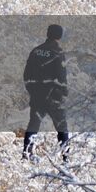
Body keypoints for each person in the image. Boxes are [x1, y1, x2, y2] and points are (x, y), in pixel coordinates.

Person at [23, 24, 70, 157]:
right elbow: (61, 77)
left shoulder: (35, 51)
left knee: (33, 126)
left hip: (37, 97)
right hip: (54, 97)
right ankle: (66, 158)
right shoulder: (58, 53)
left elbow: (26, 75)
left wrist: (33, 91)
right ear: (59, 36)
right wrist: (64, 92)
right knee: (62, 128)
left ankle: (26, 154)